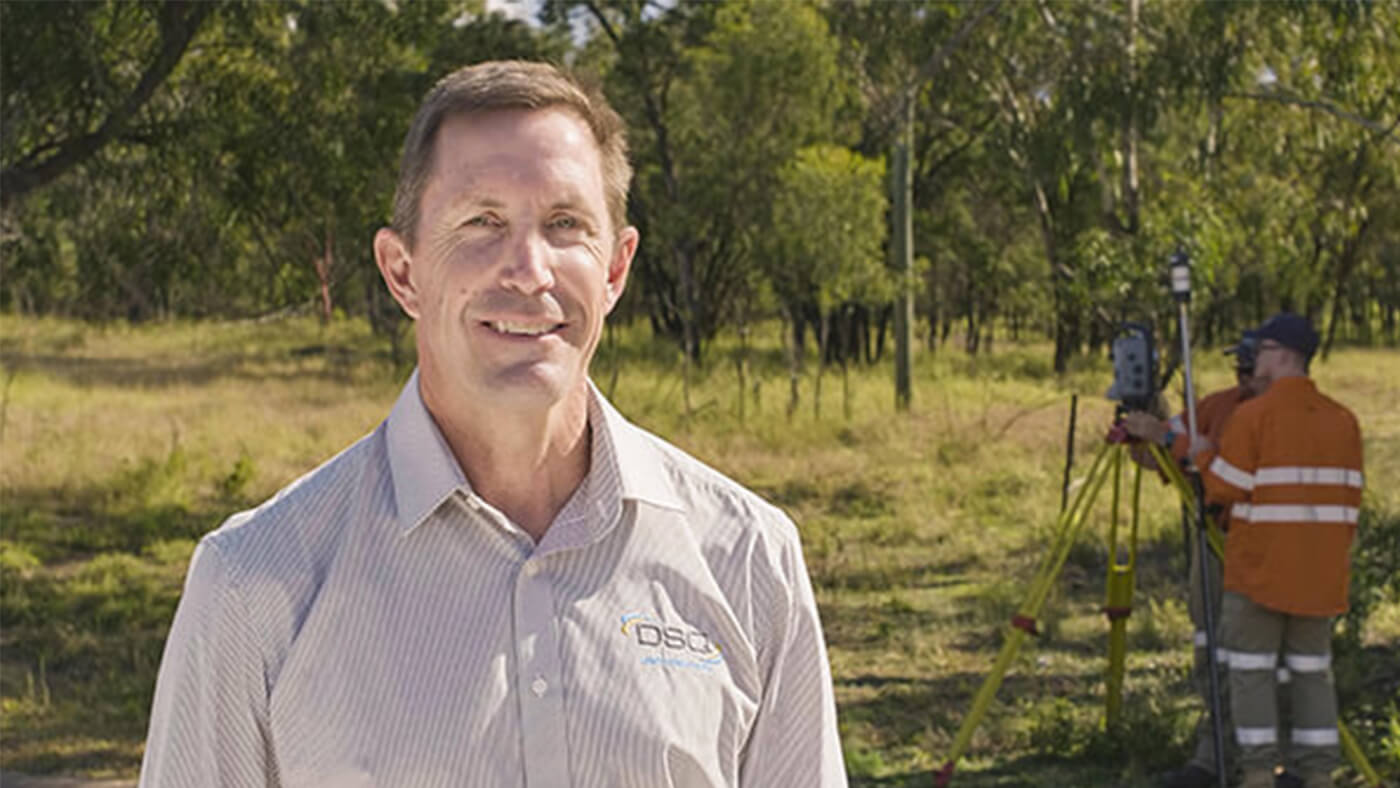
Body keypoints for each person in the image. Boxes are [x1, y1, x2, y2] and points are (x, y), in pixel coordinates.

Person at [140, 60, 847, 787]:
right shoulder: (255, 584)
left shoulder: (749, 559)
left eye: (565, 224)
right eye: (482, 222)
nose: (529, 269)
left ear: (615, 269)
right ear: (402, 271)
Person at [1194, 313, 1363, 788]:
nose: (1255, 359)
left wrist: (1203, 453)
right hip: (1320, 576)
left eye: (1263, 350)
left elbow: (1222, 490)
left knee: (1251, 674)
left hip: (1260, 574)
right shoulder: (1344, 421)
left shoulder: (1255, 416)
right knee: (1313, 676)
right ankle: (1318, 775)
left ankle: (1258, 773)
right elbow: (1350, 499)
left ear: (1285, 355)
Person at [1122, 331, 1264, 788]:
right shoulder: (1217, 406)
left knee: (1259, 658)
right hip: (1215, 544)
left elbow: (1229, 470)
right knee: (1212, 648)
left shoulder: (1288, 415)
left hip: (1266, 548)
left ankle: (1264, 763)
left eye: (1250, 365)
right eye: (1238, 366)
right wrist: (1142, 430)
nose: (1242, 375)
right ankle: (1212, 757)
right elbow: (1163, 455)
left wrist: (1168, 438)